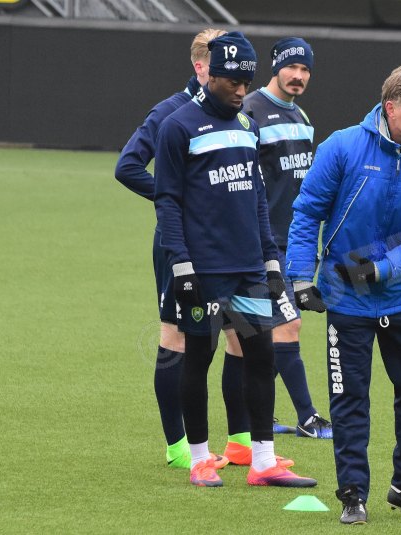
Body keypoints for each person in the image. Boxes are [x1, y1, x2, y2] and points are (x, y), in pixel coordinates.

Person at [287, 66, 401, 524]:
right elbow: (307, 215)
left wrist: (382, 268)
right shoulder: (342, 146)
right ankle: (353, 494)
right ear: (390, 107)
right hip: (348, 301)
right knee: (350, 398)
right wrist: (301, 278)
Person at [154, 31, 316, 488]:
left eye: (247, 82)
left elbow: (258, 198)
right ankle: (201, 460)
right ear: (213, 76)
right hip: (204, 269)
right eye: (234, 83)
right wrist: (181, 266)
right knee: (197, 360)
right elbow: (166, 201)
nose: (242, 91)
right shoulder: (178, 126)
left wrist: (269, 258)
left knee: (260, 357)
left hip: (248, 268)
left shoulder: (247, 125)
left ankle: (263, 462)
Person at [115, 28, 259, 469]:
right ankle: (179, 447)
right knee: (178, 339)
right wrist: (179, 196)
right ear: (201, 67)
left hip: (229, 249)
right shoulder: (171, 113)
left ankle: (240, 442)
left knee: (241, 335)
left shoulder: (235, 115)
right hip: (180, 247)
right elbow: (127, 166)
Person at [242, 37, 332, 440]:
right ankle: (308, 417)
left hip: (293, 240)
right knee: (287, 326)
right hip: (263, 242)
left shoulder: (301, 116)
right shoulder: (251, 111)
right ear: (276, 67)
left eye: (306, 70)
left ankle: (248, 414)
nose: (298, 76)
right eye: (292, 68)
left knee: (265, 331)